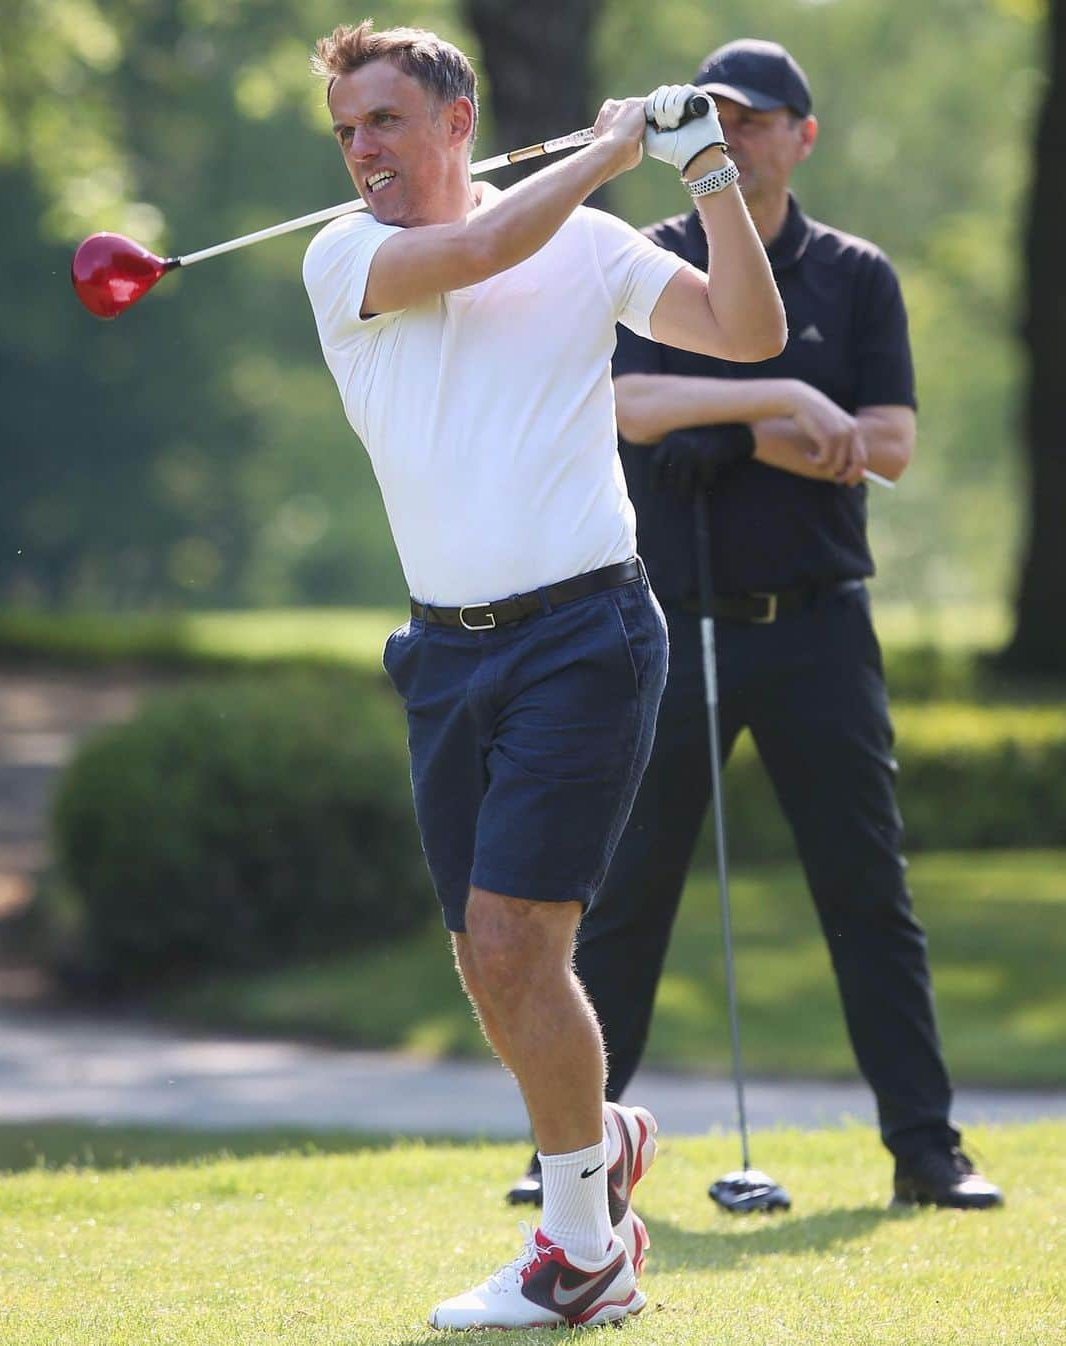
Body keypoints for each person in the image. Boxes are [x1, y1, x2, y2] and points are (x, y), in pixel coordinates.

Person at [302, 21, 785, 1331]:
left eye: (386, 124)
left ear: (457, 123)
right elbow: (476, 252)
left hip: (586, 634)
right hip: (442, 651)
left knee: (520, 941)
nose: (363, 153)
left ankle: (584, 1252)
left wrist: (705, 181)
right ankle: (598, 1141)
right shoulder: (346, 255)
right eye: (347, 132)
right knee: (486, 958)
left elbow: (747, 329)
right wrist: (614, 151)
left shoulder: (582, 242)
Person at [507, 38, 1003, 1214]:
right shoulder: (653, 258)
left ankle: (927, 1151)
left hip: (821, 629)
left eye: (759, 119)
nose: (734, 136)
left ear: (802, 135)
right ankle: (564, 1155)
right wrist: (778, 403)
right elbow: (629, 405)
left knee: (867, 892)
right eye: (716, 119)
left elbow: (884, 446)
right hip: (672, 625)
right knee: (625, 893)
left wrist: (719, 427)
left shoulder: (856, 275)